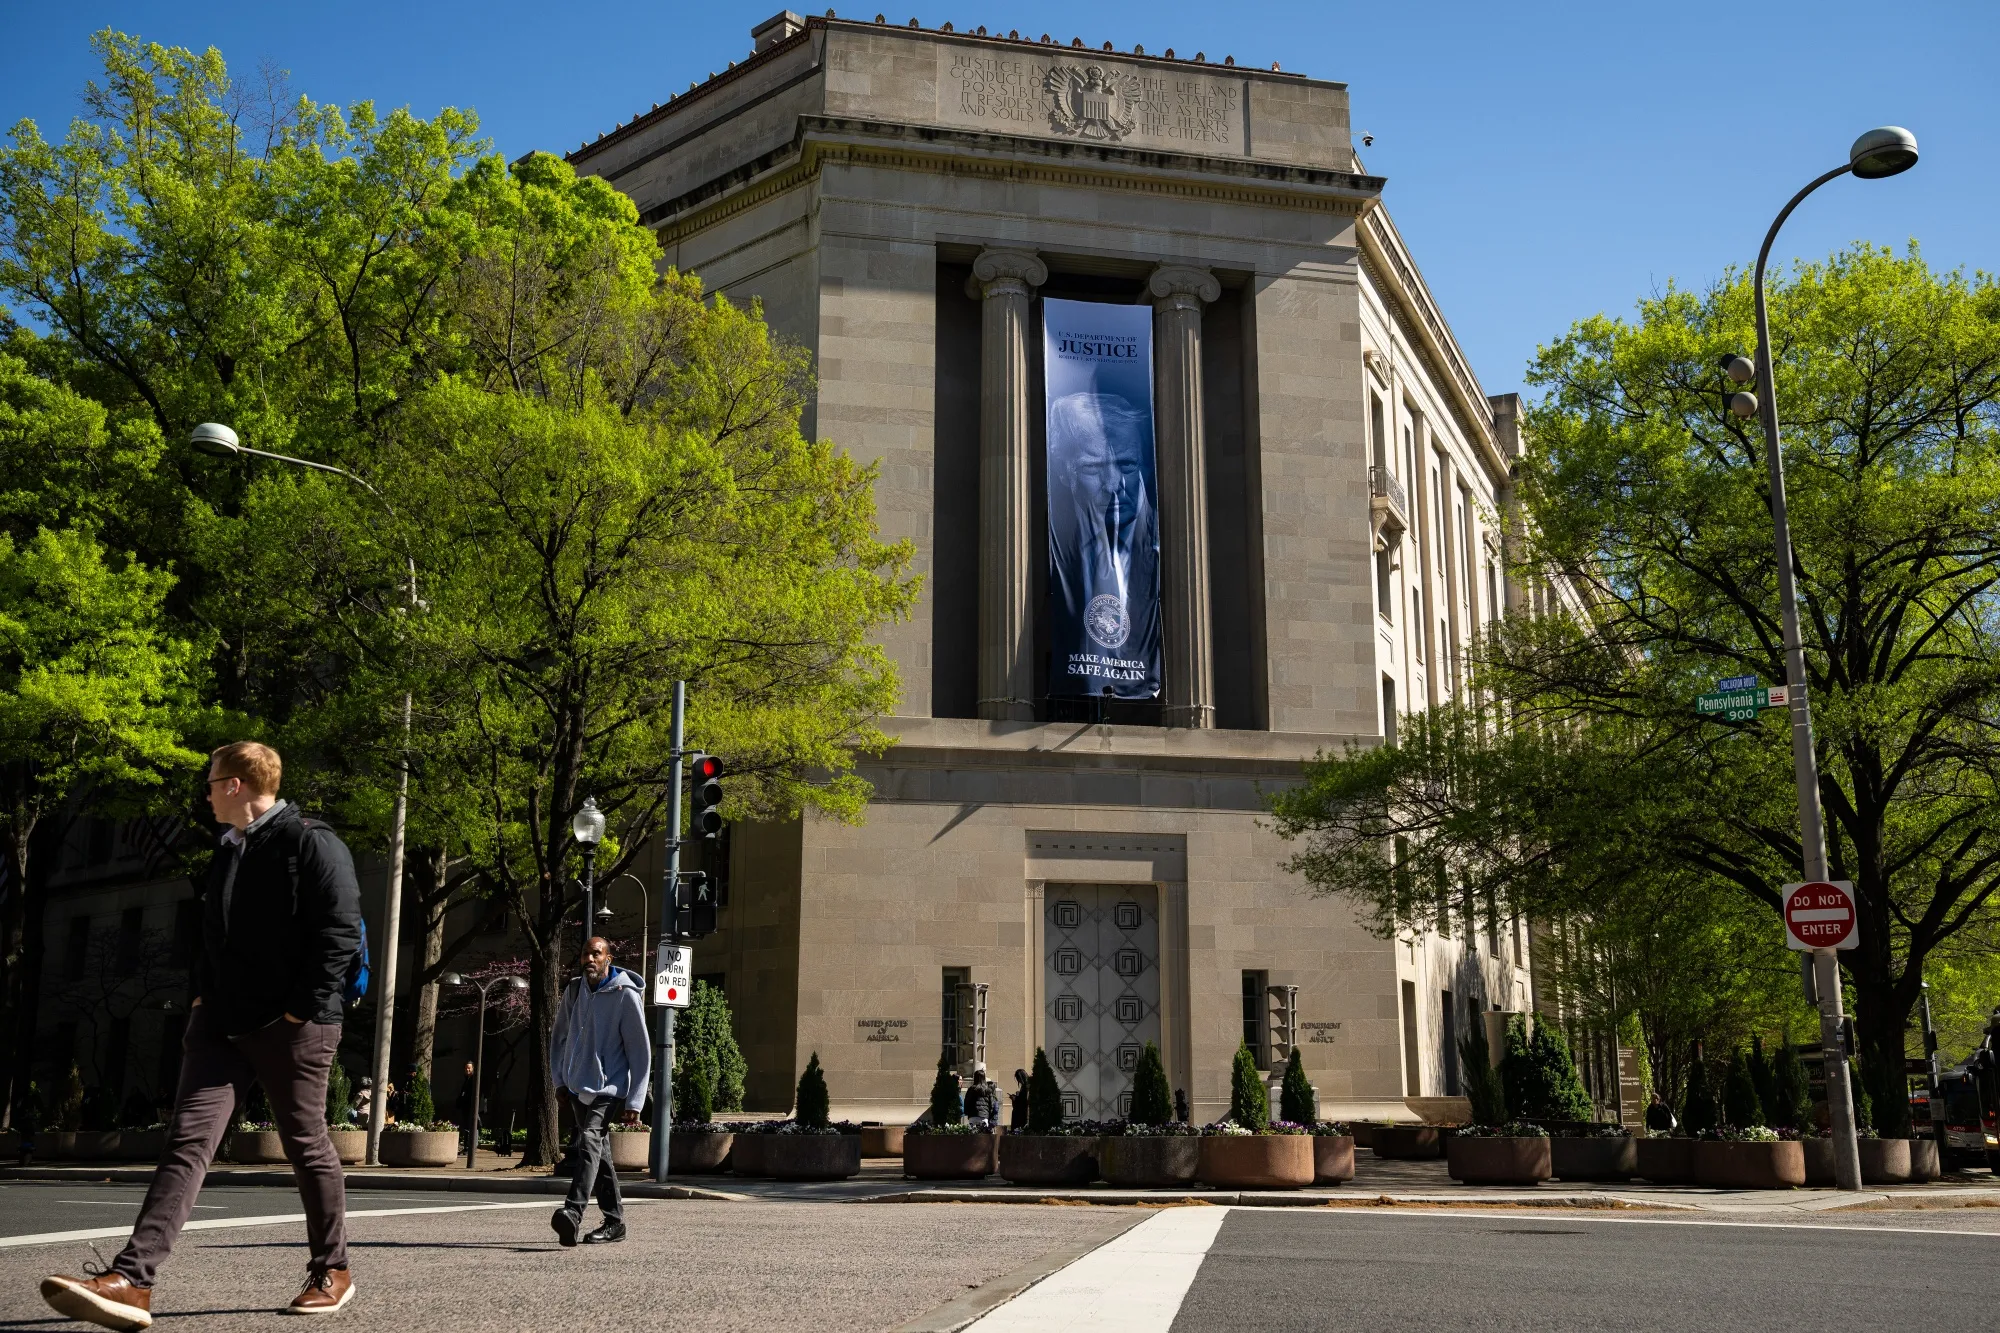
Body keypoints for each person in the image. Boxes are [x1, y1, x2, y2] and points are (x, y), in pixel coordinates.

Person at [41, 741, 363, 1328]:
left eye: (212, 782)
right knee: (188, 1142)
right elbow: (212, 934)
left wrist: (299, 1012)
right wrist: (200, 997)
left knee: (305, 1142)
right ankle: (133, 1280)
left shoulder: (310, 842)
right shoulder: (229, 847)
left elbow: (339, 932)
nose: (206, 792)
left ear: (236, 784)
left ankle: (332, 1269)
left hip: (293, 1027)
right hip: (220, 1022)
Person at [549, 936, 650, 1247]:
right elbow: (559, 1038)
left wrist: (635, 1100)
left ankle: (573, 1211)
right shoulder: (574, 990)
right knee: (600, 1155)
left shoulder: (625, 995)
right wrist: (559, 1081)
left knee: (590, 1139)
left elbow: (640, 1051)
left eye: (596, 953)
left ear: (608, 958)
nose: (589, 959)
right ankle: (615, 1223)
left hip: (610, 1086)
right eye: (585, 954)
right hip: (578, 1085)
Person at [963, 1062, 1001, 1128]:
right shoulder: (988, 1089)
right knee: (983, 1133)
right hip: (984, 1115)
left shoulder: (971, 1089)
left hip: (973, 1115)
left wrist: (967, 1112)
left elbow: (967, 1102)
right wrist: (989, 1114)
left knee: (973, 1132)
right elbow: (991, 1103)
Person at [453, 1061, 477, 1149]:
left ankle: (469, 1146)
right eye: (466, 1068)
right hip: (465, 1107)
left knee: (470, 1126)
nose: (467, 1070)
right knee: (466, 1126)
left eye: (469, 1068)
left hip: (470, 1106)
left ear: (473, 1069)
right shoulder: (466, 1079)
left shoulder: (473, 1080)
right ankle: (466, 1146)